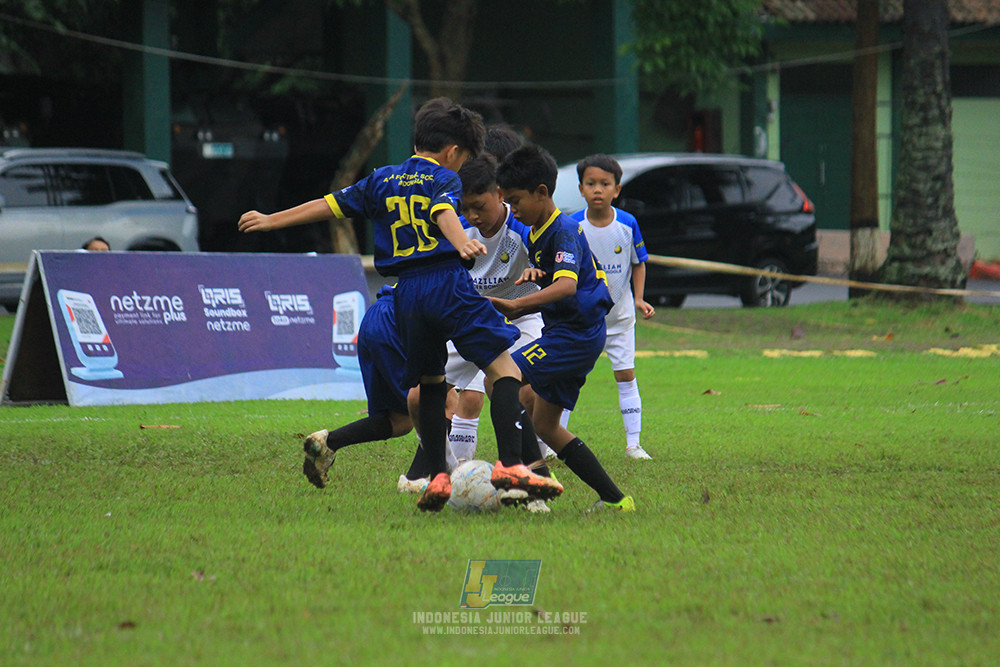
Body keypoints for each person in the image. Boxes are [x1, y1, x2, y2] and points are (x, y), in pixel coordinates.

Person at [238, 98, 561, 511]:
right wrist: (462, 241)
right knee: (504, 371)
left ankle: (439, 479)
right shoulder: (443, 178)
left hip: (405, 293)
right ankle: (513, 467)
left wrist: (271, 219)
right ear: (452, 152)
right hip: (445, 284)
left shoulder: (382, 179)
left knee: (430, 383)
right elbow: (444, 211)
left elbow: (330, 204)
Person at [492, 144, 635, 512]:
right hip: (572, 334)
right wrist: (536, 275)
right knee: (546, 425)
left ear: (542, 192)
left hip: (575, 335)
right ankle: (617, 499)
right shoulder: (537, 230)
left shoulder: (564, 229)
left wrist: (519, 302)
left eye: (516, 200)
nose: (514, 209)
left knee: (500, 376)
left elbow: (569, 285)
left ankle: (524, 472)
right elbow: (561, 275)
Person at [570, 154, 655, 460]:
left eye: (604, 184)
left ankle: (634, 444)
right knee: (569, 377)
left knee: (626, 375)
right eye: (591, 183)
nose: (597, 190)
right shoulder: (572, 226)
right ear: (581, 189)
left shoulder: (628, 224)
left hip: (620, 319)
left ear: (616, 189)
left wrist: (638, 298)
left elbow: (639, 263)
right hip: (581, 319)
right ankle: (552, 443)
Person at [300, 285, 418, 489]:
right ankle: (419, 478)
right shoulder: (458, 275)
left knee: (401, 420)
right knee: (440, 401)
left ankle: (329, 443)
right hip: (397, 321)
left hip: (374, 317)